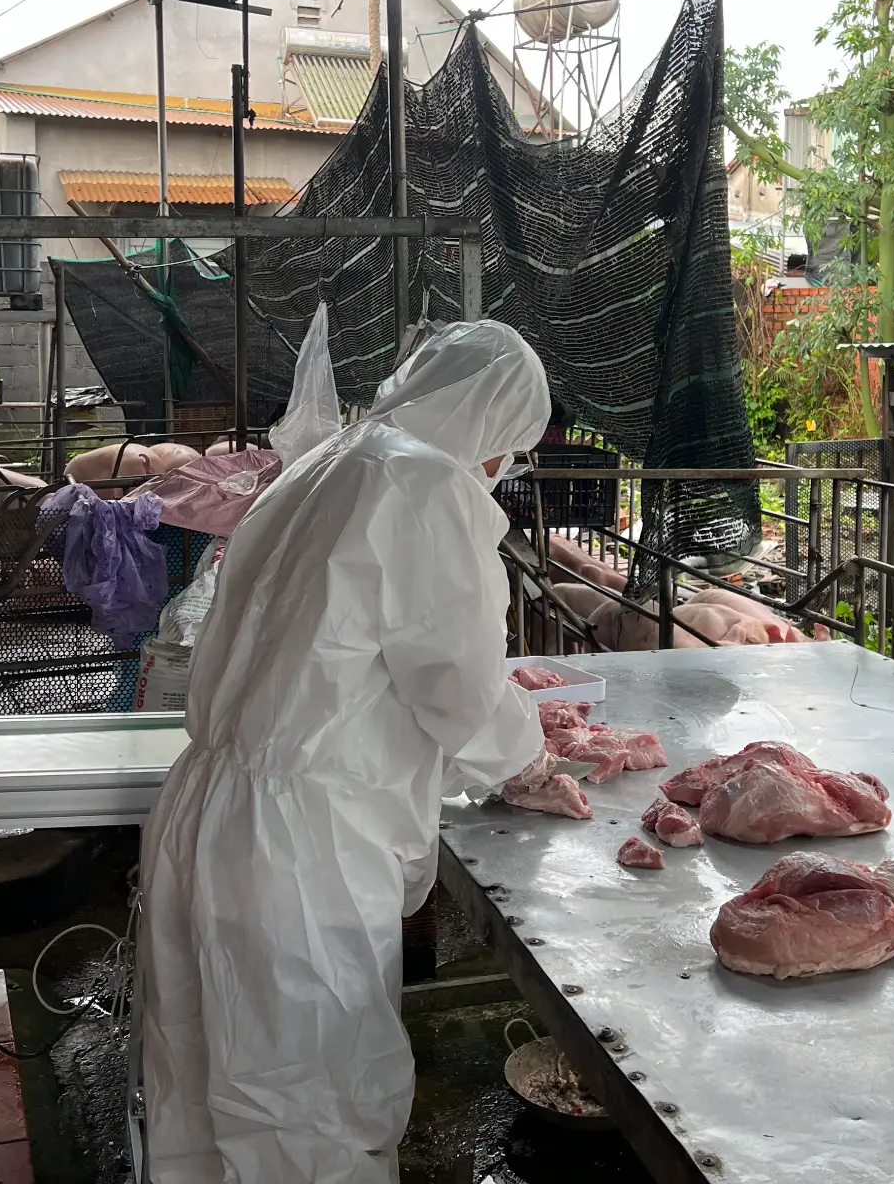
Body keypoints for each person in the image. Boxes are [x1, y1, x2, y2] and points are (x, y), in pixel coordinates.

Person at [138, 319, 552, 1184]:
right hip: (299, 849)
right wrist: (531, 758)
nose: (498, 472)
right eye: (505, 452)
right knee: (306, 1108)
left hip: (208, 807)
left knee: (206, 1083)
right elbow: (459, 686)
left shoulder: (329, 462)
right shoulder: (423, 485)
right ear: (490, 426)